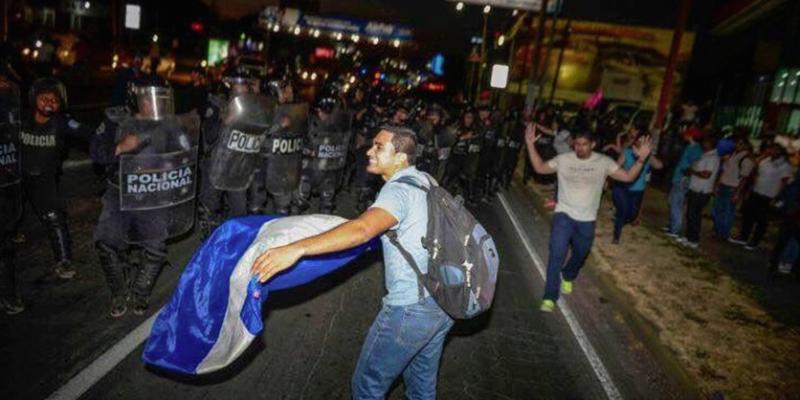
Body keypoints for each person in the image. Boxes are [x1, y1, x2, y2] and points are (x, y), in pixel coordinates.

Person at [251, 125, 453, 399]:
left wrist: (295, 249)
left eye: (379, 147)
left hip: (411, 309)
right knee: (421, 387)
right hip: (442, 301)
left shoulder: (398, 192)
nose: (369, 151)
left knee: (367, 387)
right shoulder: (426, 179)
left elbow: (362, 230)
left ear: (401, 158)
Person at [93, 80, 197, 317]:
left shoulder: (168, 125)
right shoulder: (116, 120)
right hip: (119, 192)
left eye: (161, 98)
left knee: (155, 247)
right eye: (150, 98)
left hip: (153, 193)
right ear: (136, 98)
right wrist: (120, 148)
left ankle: (141, 291)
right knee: (108, 242)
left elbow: (185, 155)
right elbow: (96, 153)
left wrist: (167, 163)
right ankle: (119, 292)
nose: (156, 103)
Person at [524, 124, 653, 312]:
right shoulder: (564, 159)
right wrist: (530, 145)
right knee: (556, 253)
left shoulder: (603, 162)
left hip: (587, 219)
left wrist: (641, 160)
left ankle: (568, 275)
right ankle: (550, 296)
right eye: (576, 144)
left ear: (592, 144)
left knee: (581, 252)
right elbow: (539, 167)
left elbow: (627, 177)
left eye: (584, 144)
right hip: (564, 215)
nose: (579, 148)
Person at [20, 77, 94, 281]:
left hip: (44, 179)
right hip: (15, 177)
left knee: (53, 216)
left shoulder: (62, 122)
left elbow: (89, 133)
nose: (49, 103)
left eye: (54, 100)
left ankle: (64, 260)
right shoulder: (20, 119)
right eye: (44, 98)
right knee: (9, 215)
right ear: (34, 98)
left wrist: (113, 142)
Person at [730, 142, 793, 250]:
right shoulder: (765, 160)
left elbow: (784, 182)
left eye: (773, 150)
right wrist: (762, 157)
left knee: (761, 220)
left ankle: (755, 241)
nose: (771, 151)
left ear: (779, 151)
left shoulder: (784, 166)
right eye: (770, 149)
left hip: (769, 195)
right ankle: (743, 237)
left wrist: (777, 197)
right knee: (748, 215)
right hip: (756, 191)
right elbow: (755, 169)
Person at [612, 130, 663, 243]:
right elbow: (615, 167)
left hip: (637, 190)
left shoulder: (648, 157)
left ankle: (619, 222)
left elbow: (659, 166)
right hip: (623, 188)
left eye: (646, 141)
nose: (642, 143)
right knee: (622, 211)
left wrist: (647, 156)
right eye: (641, 140)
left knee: (632, 215)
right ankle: (616, 236)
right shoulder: (627, 152)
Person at [0, 66, 23, 314]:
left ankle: (8, 293)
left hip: (6, 185)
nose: (2, 86)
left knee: (5, 246)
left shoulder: (9, 110)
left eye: (4, 81)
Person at [678, 135, 720, 249]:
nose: (703, 144)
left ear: (710, 143)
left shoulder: (713, 157)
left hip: (701, 191)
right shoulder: (705, 155)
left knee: (694, 215)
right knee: (690, 214)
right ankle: (688, 236)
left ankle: (693, 239)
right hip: (695, 188)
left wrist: (692, 171)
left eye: (705, 141)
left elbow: (706, 174)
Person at [663, 126, 702, 237]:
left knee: (676, 203)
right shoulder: (690, 147)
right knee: (672, 201)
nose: (684, 135)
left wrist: (685, 177)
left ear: (690, 136)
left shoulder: (695, 149)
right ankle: (672, 225)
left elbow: (693, 166)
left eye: (686, 134)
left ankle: (675, 229)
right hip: (679, 177)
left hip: (683, 179)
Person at [712, 135, 753, 239]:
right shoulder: (732, 155)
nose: (737, 145)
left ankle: (723, 234)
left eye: (740, 144)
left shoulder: (746, 159)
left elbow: (744, 178)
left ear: (746, 146)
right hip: (723, 185)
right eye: (737, 143)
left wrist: (738, 192)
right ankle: (717, 231)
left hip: (732, 188)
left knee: (727, 212)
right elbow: (723, 171)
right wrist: (717, 185)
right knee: (717, 210)